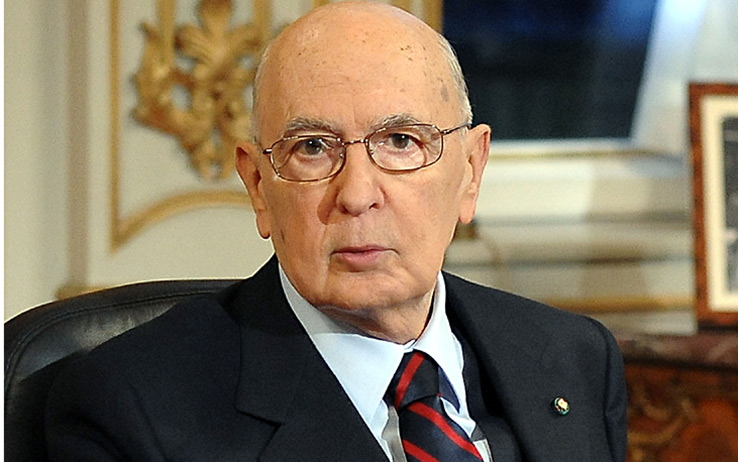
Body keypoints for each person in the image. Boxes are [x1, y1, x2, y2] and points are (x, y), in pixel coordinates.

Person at [45, 2, 627, 461]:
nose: (356, 195)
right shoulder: (132, 407)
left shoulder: (574, 358)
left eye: (400, 141)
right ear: (257, 186)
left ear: (471, 171)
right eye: (312, 148)